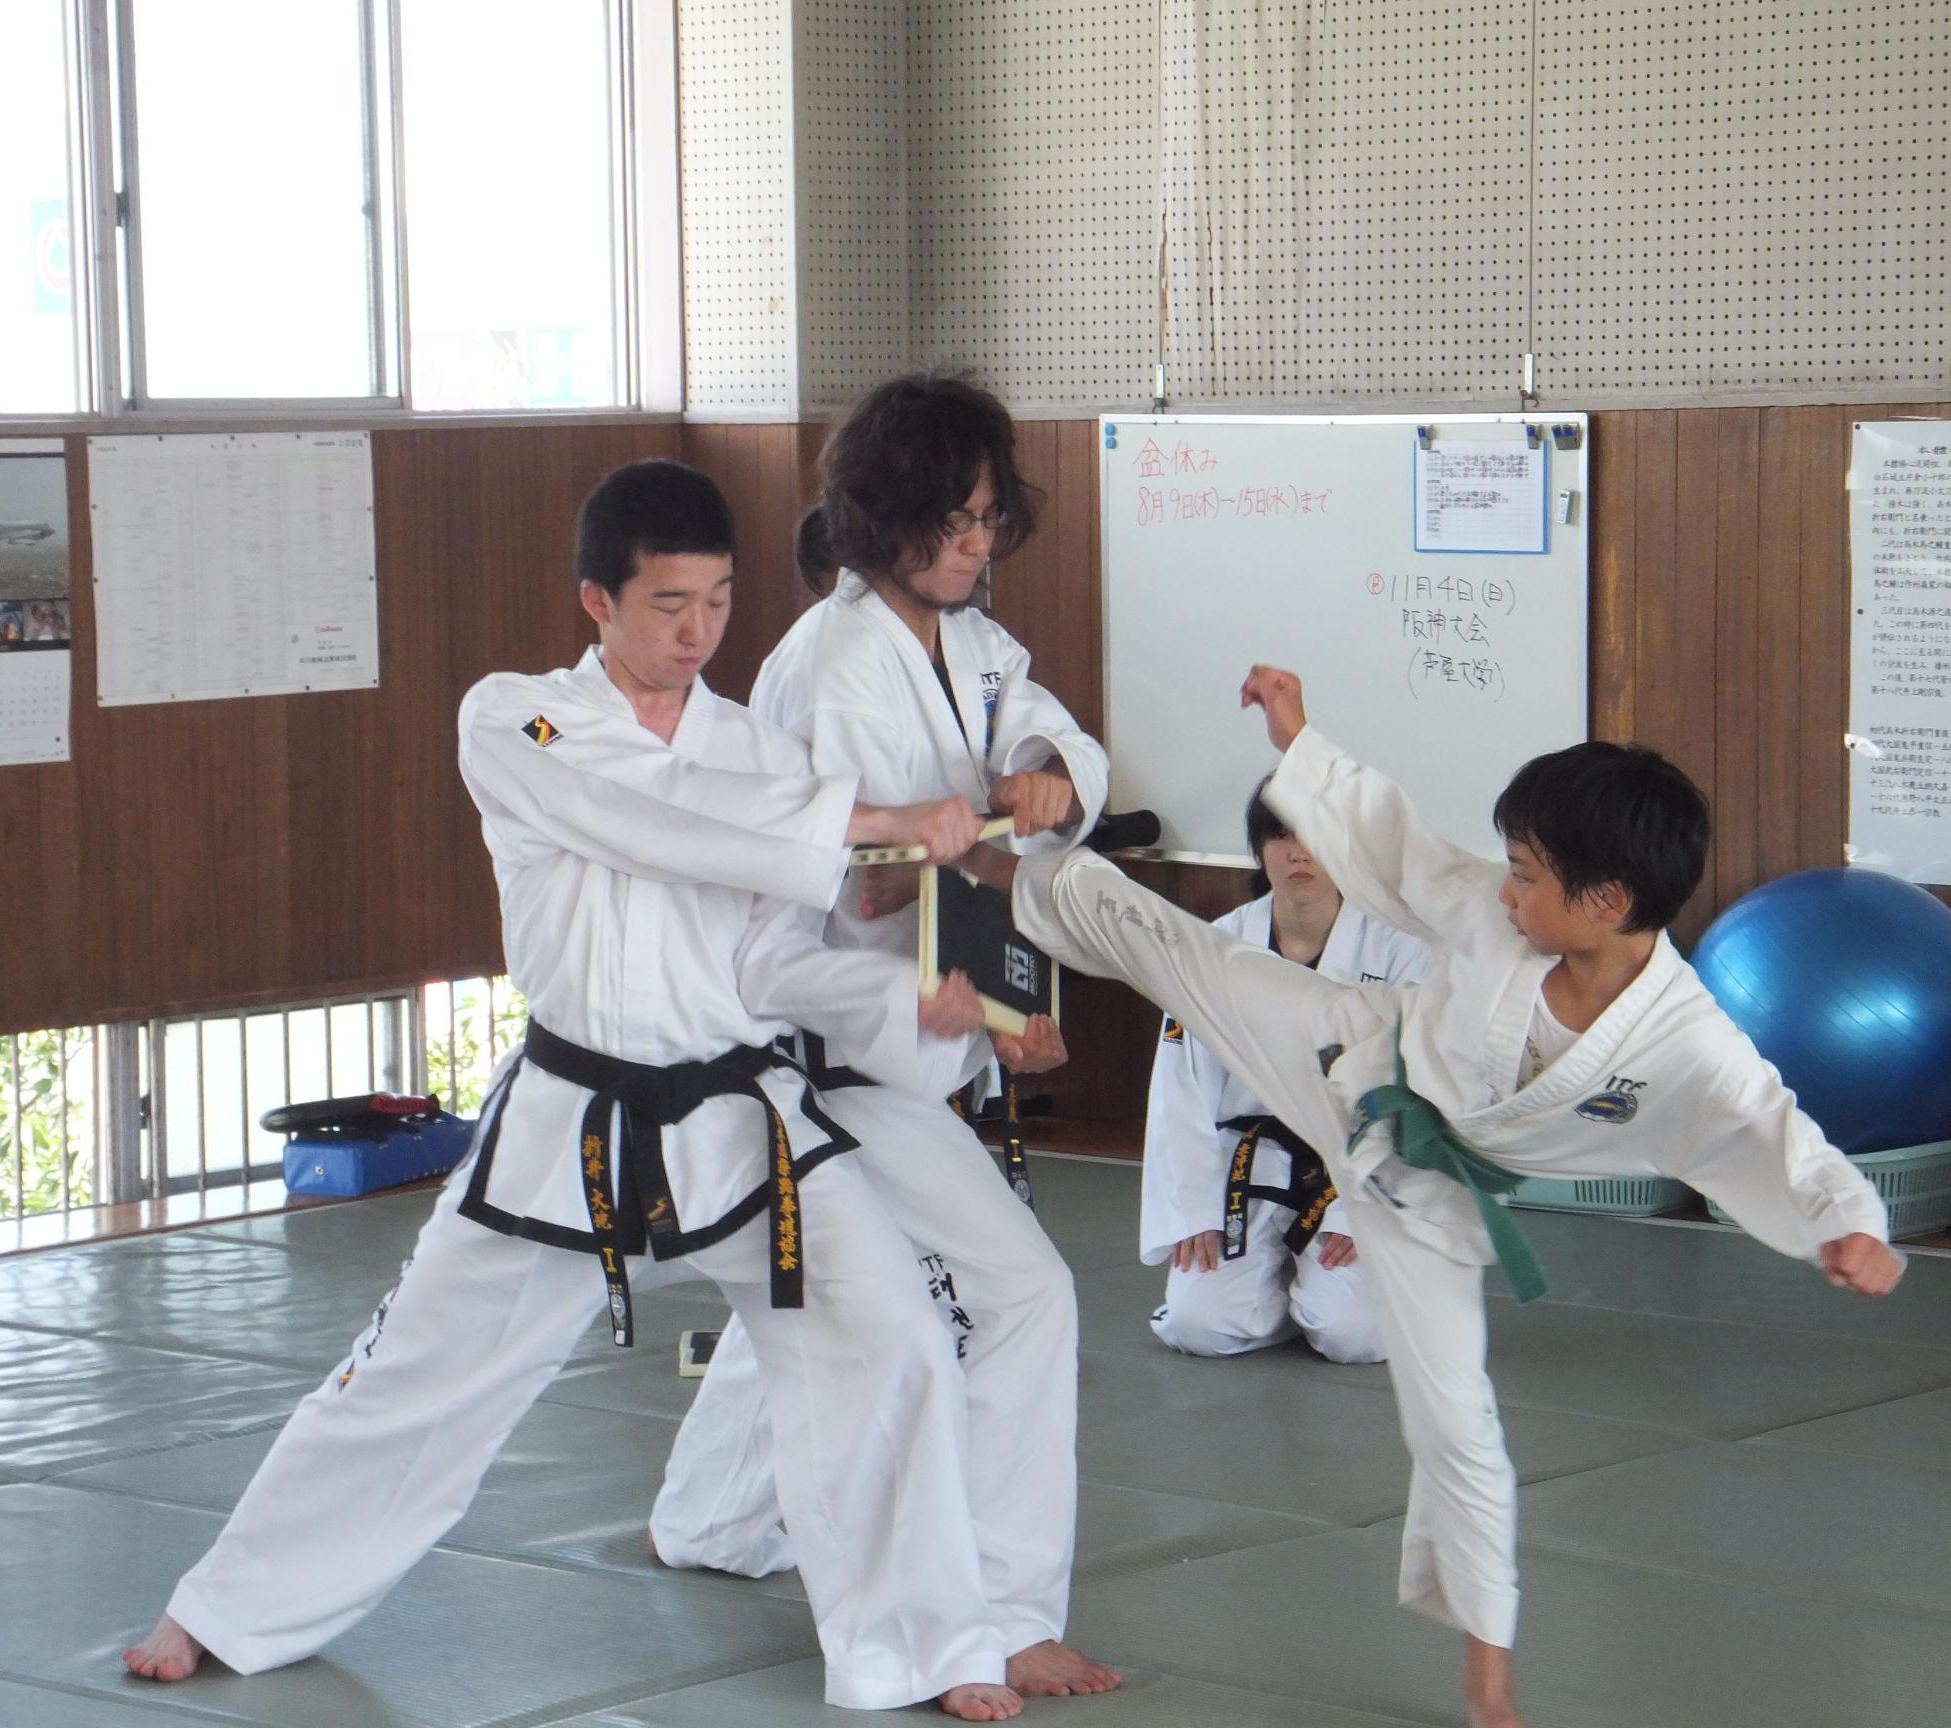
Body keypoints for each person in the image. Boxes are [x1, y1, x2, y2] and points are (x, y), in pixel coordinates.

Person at [123, 459, 1042, 1722]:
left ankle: (926, 1648)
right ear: (594, 603)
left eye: (718, 601)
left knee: (895, 1341)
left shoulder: (759, 754)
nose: (697, 632)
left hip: (736, 1116)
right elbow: (649, 817)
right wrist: (871, 819)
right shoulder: (520, 721)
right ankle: (225, 1607)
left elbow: (772, 954)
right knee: (410, 1381)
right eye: (668, 603)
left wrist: (919, 1011)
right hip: (569, 1121)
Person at [980, 665, 1904, 1728]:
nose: (1503, 891)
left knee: (1459, 1425)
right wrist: (1300, 741)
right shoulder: (1491, 914)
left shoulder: (1686, 1042)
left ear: (1607, 901)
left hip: (1427, 1202)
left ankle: (1489, 1670)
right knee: (1177, 952)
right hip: (1356, 1056)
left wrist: (1848, 1221)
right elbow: (1396, 845)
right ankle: (1008, 869)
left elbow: (1775, 1123)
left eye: (1526, 875)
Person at [648, 374, 1119, 1707]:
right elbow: (846, 880)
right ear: (881, 519)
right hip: (811, 1052)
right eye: (950, 520)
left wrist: (1047, 771)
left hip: (911, 1040)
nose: (975, 543)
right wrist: (956, 902)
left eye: (986, 518)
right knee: (1008, 1295)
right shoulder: (829, 669)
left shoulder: (963, 643)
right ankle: (1007, 1611)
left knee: (809, 1305)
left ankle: (707, 1518)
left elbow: (1041, 730)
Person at [1143, 779, 1428, 1362]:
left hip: (1355, 1164)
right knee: (1199, 1326)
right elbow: (1180, 1086)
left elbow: (1417, 1087)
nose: (1299, 852)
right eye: (1280, 835)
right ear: (1259, 849)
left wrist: (1364, 1211)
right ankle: (1284, 1293)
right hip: (1249, 1160)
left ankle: (1334, 1290)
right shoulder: (1215, 947)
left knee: (1354, 1336)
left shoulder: (1401, 950)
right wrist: (1193, 1210)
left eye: (1317, 835)